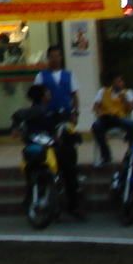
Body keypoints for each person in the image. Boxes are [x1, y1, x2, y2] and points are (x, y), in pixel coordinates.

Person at [33, 47, 84, 217]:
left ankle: (74, 205)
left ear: (61, 57)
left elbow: (75, 95)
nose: (55, 59)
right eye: (52, 56)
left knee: (69, 162)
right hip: (47, 120)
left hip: (65, 118)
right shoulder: (41, 76)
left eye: (58, 56)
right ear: (48, 58)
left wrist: (76, 112)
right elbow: (36, 97)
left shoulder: (69, 76)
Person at [91, 72, 133, 166]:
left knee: (131, 124)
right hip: (107, 119)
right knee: (96, 127)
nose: (120, 84)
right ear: (112, 83)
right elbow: (95, 107)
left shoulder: (127, 93)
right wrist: (100, 113)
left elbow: (131, 109)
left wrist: (125, 99)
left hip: (120, 119)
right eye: (117, 82)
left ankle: (132, 153)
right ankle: (105, 155)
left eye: (121, 81)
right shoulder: (103, 91)